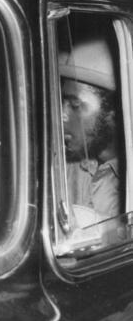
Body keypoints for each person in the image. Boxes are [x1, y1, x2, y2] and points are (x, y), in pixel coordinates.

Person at [59, 36, 122, 220]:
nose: (62, 115)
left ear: (114, 111)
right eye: (63, 102)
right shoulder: (61, 166)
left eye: (75, 105)